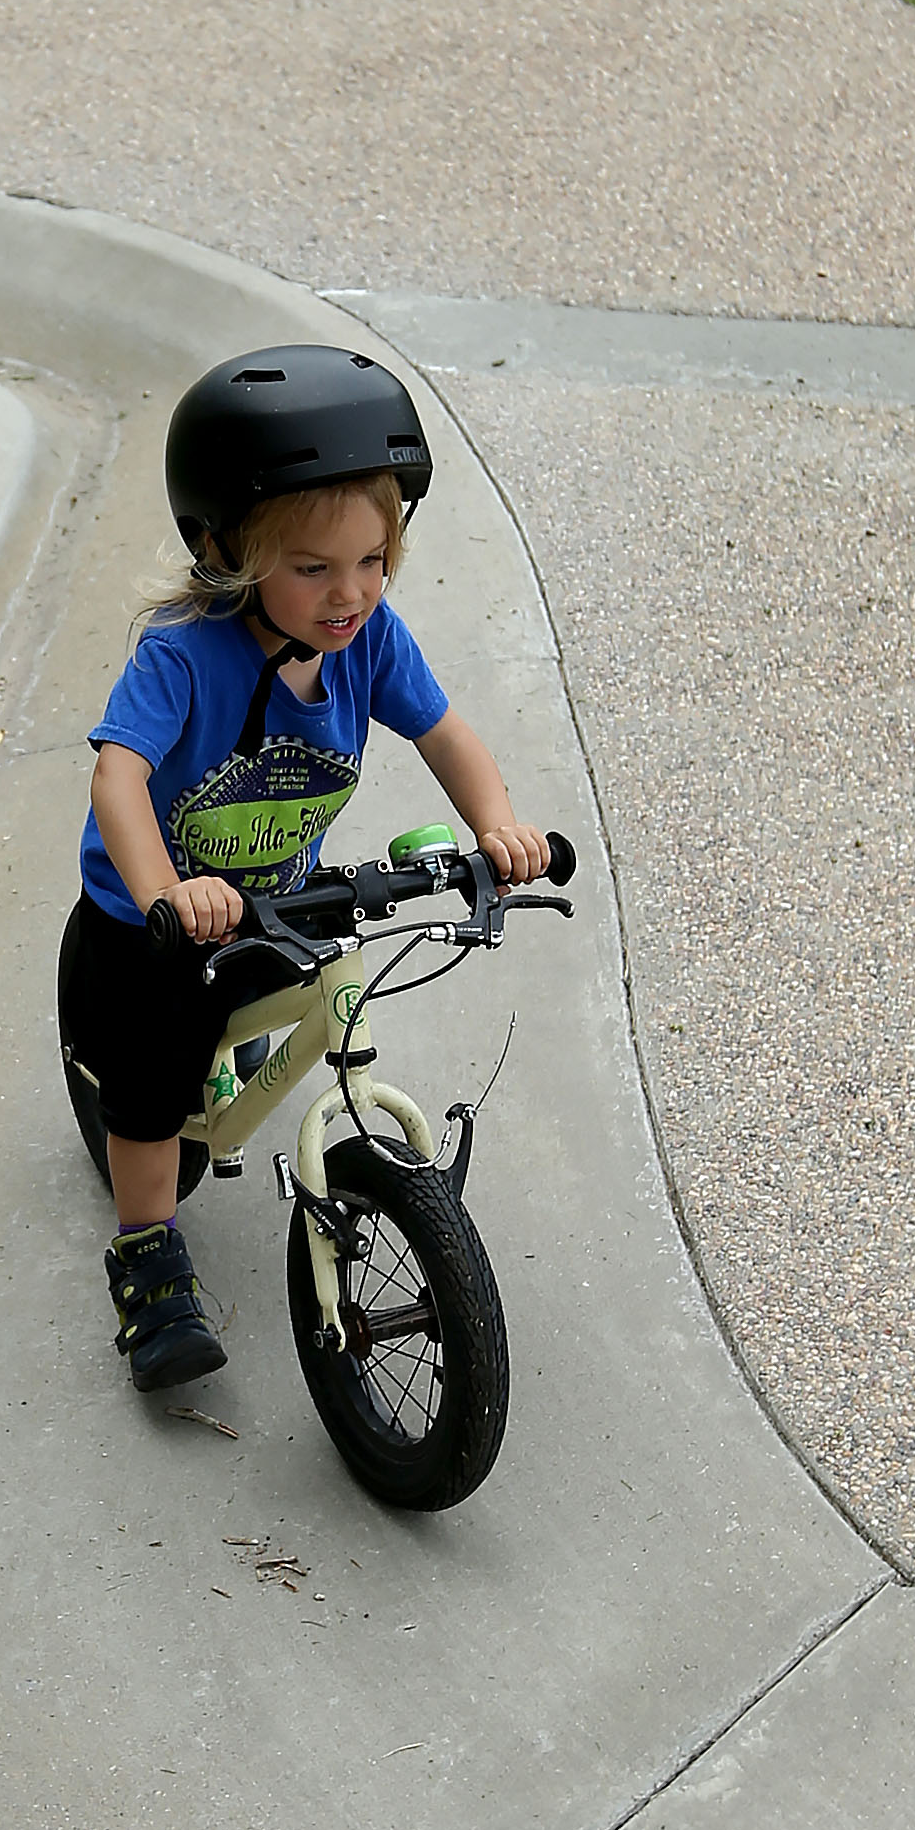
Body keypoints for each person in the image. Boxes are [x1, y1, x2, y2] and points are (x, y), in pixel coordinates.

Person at [60, 348, 550, 1397]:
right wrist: (163, 892)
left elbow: (447, 733)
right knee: (150, 1096)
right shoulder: (184, 652)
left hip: (277, 898)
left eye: (374, 561)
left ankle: (249, 1087)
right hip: (148, 916)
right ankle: (145, 1254)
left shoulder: (370, 640)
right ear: (229, 551)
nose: (352, 593)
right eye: (316, 569)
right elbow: (119, 778)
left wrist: (500, 826)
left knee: (325, 982)